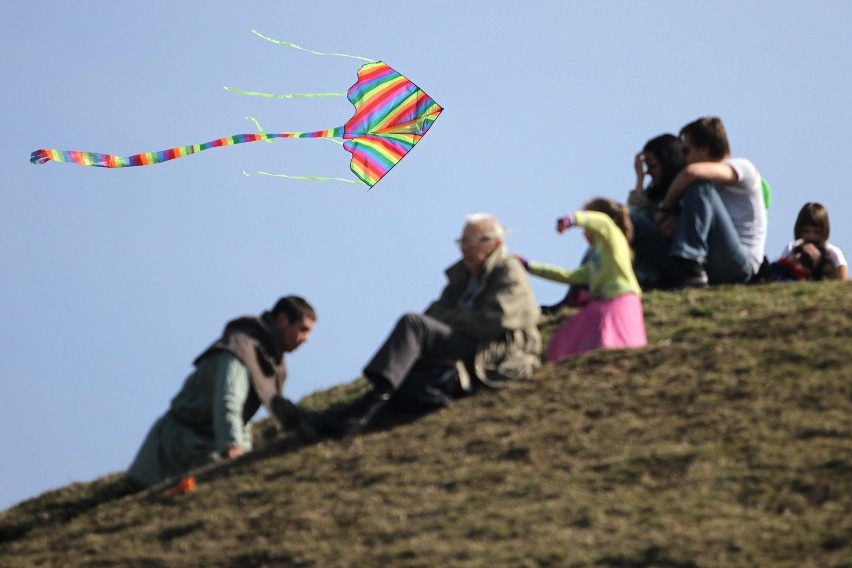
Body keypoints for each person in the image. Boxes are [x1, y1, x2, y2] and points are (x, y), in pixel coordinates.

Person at [322, 213, 542, 434]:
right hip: (463, 341)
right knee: (413, 350)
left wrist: (452, 315)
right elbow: (434, 311)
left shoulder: (508, 270)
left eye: (469, 241)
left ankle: (373, 401)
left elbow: (494, 320)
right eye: (461, 241)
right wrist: (453, 316)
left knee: (414, 324)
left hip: (491, 349)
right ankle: (350, 415)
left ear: (495, 244)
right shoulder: (463, 275)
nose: (463, 248)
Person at [127, 296, 318, 488]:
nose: (306, 339)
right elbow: (228, 402)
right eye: (302, 329)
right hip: (173, 452)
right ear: (283, 320)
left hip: (204, 447)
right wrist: (233, 446)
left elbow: (244, 416)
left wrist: (244, 450)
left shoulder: (269, 358)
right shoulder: (240, 349)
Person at [632, 116, 767, 288]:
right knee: (631, 221)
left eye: (686, 151)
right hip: (709, 264)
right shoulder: (695, 193)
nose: (682, 157)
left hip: (737, 266)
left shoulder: (742, 167)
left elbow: (691, 172)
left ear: (703, 149)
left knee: (698, 185)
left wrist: (665, 209)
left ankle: (691, 261)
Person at [518, 198, 646, 363]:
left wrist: (571, 220)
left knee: (618, 350)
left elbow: (602, 220)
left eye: (585, 226)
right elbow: (568, 276)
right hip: (604, 305)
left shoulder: (613, 236)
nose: (583, 232)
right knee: (563, 342)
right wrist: (528, 266)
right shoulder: (596, 258)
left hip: (620, 301)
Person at [628, 133, 686, 288]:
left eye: (652, 166)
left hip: (675, 262)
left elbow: (634, 223)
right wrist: (639, 179)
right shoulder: (655, 193)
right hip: (654, 263)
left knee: (625, 222)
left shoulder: (687, 191)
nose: (648, 172)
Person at [779, 202, 847, 280]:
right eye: (806, 231)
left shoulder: (833, 252)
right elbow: (780, 271)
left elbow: (842, 280)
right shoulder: (791, 248)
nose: (811, 236)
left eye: (816, 232)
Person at [770, 240, 836, 282]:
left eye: (805, 258)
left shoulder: (788, 283)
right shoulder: (774, 267)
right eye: (798, 249)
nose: (797, 256)